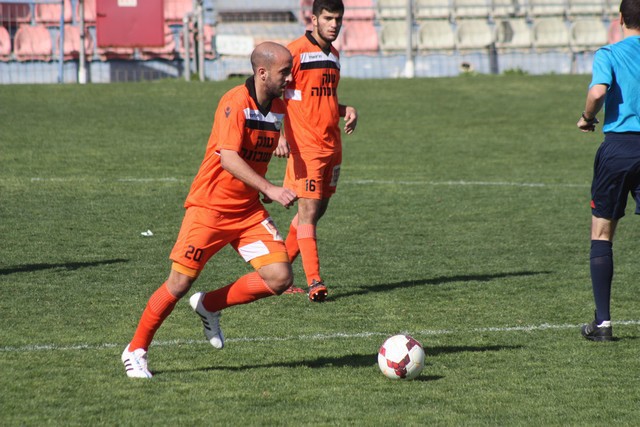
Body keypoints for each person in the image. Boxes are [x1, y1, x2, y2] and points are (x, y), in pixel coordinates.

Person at [121, 42, 297, 378]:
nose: (290, 78)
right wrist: (270, 188)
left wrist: (278, 144)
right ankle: (135, 349)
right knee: (178, 283)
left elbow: (264, 139)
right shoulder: (234, 101)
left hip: (247, 213)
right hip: (209, 209)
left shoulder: (278, 106)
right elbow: (228, 158)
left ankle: (209, 305)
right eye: (284, 72)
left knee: (280, 277)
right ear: (262, 73)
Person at [276, 0, 358, 302]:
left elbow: (322, 99)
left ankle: (279, 274)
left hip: (331, 145)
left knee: (317, 210)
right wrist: (279, 135)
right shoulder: (294, 53)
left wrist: (346, 109)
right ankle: (314, 281)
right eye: (328, 18)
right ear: (314, 19)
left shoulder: (333, 55)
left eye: (338, 19)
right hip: (306, 147)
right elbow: (274, 93)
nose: (334, 24)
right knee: (308, 212)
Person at [577, 0, 640, 341]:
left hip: (618, 148)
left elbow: (598, 91)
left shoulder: (610, 53)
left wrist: (587, 118)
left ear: (620, 19)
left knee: (602, 233)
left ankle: (602, 324)